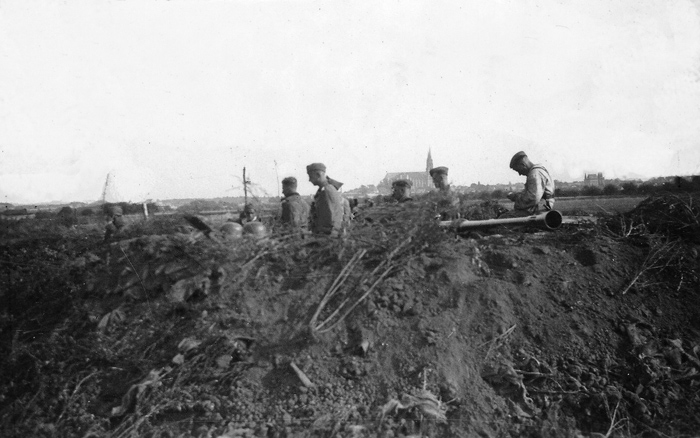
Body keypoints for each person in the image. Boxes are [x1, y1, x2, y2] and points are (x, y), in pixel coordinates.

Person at [503, 151, 555, 217]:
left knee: (504, 218)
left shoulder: (534, 174)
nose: (520, 174)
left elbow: (533, 198)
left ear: (523, 164)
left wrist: (517, 200)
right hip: (541, 210)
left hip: (539, 212)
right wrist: (516, 196)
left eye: (518, 170)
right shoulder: (538, 171)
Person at [307, 162, 344, 236]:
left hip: (327, 235)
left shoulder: (326, 191)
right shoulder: (325, 189)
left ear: (318, 175)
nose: (309, 180)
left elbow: (330, 217)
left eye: (310, 176)